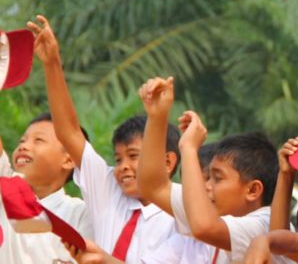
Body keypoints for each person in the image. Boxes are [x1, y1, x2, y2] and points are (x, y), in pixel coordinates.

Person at [27, 15, 180, 262]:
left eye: (133, 156)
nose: (123, 168)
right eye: (118, 159)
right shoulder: (108, 188)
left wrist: (158, 116)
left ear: (167, 161)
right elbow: (68, 132)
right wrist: (52, 63)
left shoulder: (183, 212)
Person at [136, 76, 278, 264]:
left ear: (252, 190)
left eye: (217, 178)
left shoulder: (265, 224)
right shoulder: (215, 213)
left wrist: (188, 148)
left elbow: (204, 227)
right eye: (208, 177)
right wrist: (157, 116)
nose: (206, 187)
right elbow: (153, 187)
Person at [0, 113, 92, 263]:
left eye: (38, 140)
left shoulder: (80, 214)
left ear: (68, 159)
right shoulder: (6, 187)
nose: (23, 146)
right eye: (22, 140)